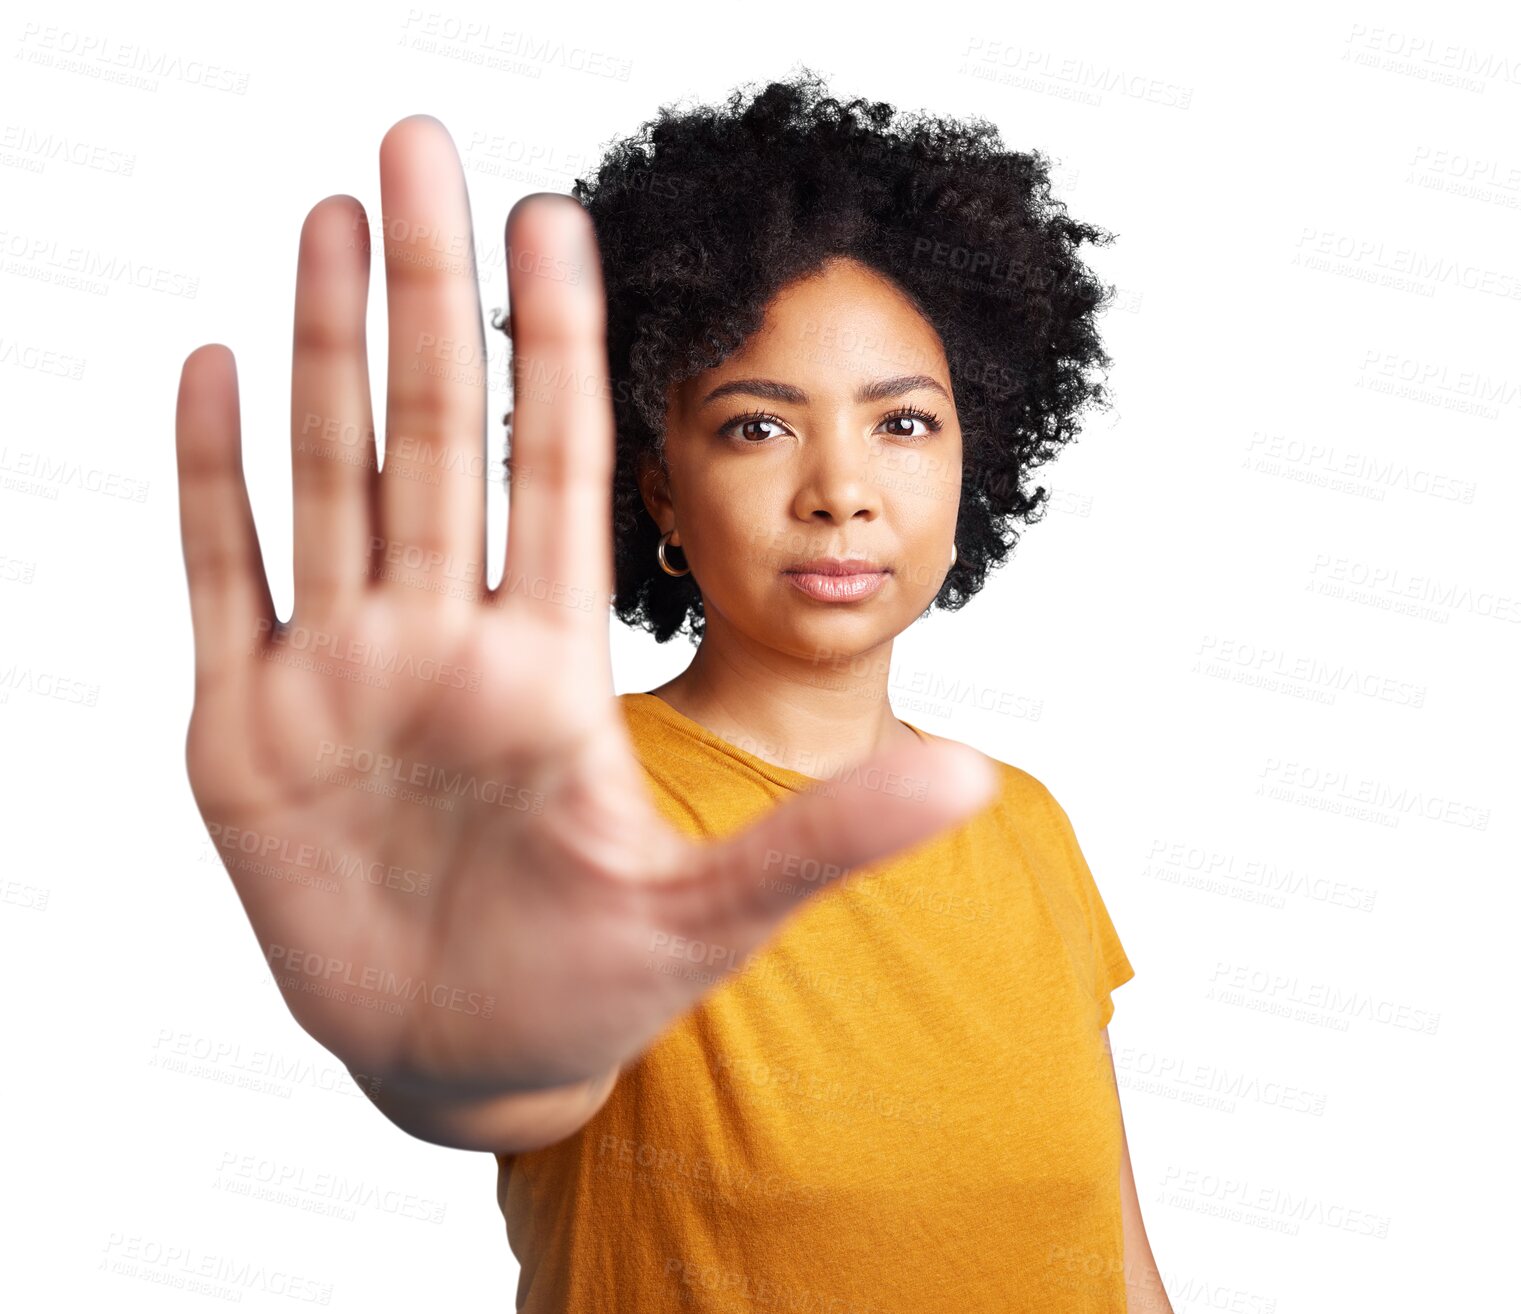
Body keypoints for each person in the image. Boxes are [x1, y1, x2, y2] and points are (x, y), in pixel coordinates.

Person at [174, 67, 1172, 1313]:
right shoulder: (561, 801)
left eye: (904, 424)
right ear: (658, 491)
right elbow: (502, 1067)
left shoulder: (1022, 823)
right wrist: (452, 1047)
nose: (840, 489)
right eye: (758, 426)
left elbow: (1119, 1271)